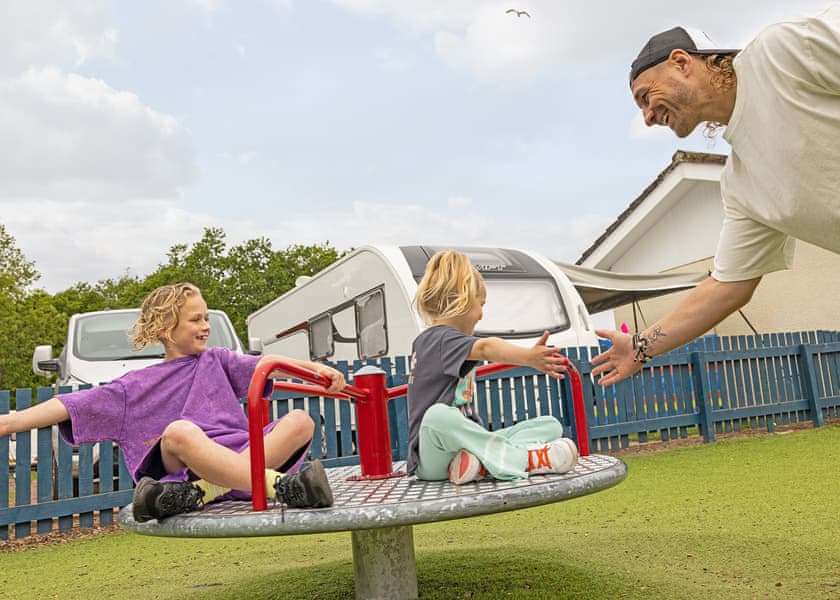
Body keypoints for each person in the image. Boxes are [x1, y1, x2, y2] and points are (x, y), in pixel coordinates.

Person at [593, 6, 840, 386]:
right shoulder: (744, 185)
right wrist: (640, 346)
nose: (646, 116)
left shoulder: (781, 54)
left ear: (681, 62)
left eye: (645, 97)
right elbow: (727, 287)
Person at [0, 282, 347, 522]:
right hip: (182, 463)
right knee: (181, 431)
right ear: (167, 329)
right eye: (196, 319)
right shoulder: (133, 386)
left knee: (301, 420)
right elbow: (69, 405)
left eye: (206, 318)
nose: (206, 326)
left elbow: (267, 365)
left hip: (236, 459)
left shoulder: (218, 360)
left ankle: (205, 492)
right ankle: (279, 486)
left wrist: (316, 370)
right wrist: (8, 423)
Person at [407, 250, 578, 485]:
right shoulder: (437, 339)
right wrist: (529, 357)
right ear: (464, 300)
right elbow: (487, 347)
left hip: (464, 448)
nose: (481, 315)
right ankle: (526, 459)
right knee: (437, 416)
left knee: (550, 425)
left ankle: (481, 466)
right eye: (481, 304)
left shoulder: (447, 342)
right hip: (431, 458)